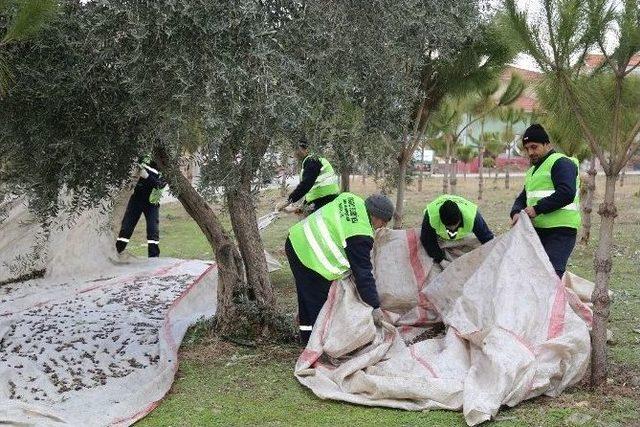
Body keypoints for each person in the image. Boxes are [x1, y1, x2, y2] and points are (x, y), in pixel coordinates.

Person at [285, 192, 394, 344]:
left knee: (305, 297)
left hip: (296, 240)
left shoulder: (350, 198)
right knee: (320, 303)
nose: (382, 227)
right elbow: (363, 274)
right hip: (309, 257)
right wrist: (374, 305)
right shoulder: (360, 234)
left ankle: (306, 340)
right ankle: (317, 346)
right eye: (383, 223)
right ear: (376, 217)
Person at [510, 124, 581, 278]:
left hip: (560, 231)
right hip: (537, 231)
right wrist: (515, 212)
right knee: (532, 275)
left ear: (547, 144)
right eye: (527, 148)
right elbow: (524, 196)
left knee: (551, 275)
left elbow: (567, 192)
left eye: (534, 147)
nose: (530, 152)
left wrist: (537, 209)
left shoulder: (561, 163)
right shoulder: (532, 171)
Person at [421, 194, 494, 269]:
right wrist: (441, 260)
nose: (452, 229)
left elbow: (487, 238)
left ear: (460, 218)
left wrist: (492, 258)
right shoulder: (431, 216)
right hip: (441, 238)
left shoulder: (472, 217)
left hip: (464, 236)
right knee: (424, 250)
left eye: (455, 226)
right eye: (449, 227)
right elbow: (427, 240)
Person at [115, 155, 167, 258]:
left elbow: (160, 185)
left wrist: (147, 177)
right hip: (136, 200)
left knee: (152, 230)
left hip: (152, 203)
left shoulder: (166, 167)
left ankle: (154, 257)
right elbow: (134, 166)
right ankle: (117, 252)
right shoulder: (145, 158)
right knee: (126, 227)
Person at [276, 138, 340, 215]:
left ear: (306, 149)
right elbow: (312, 189)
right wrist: (301, 207)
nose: (294, 153)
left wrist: (287, 201)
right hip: (324, 202)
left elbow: (306, 184)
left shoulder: (312, 161)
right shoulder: (311, 162)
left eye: (297, 150)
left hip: (324, 203)